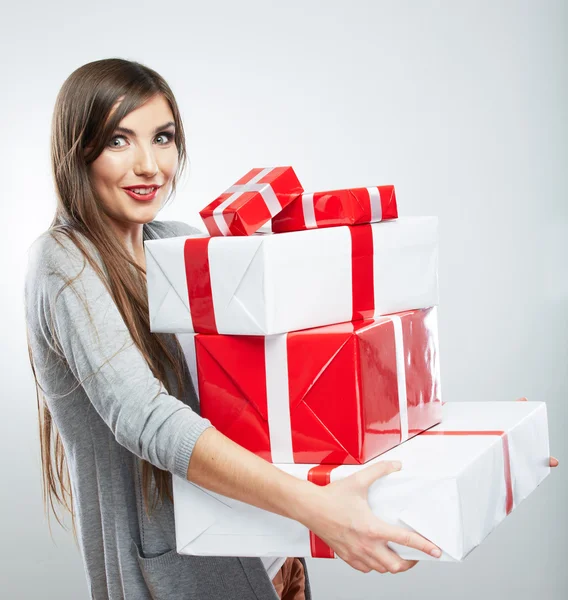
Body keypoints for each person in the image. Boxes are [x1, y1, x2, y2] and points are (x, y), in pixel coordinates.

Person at [24, 58, 558, 600]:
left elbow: (288, 383)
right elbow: (146, 419)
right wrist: (322, 512)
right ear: (78, 150)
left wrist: (474, 438)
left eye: (162, 138)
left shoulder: (176, 244)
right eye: (119, 141)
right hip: (179, 576)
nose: (149, 165)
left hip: (272, 556)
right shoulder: (61, 262)